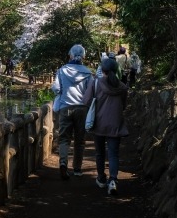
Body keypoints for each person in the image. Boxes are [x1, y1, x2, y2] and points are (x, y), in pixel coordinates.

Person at [84, 57, 129, 196]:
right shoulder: (122, 86)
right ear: (116, 70)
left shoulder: (95, 83)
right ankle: (113, 180)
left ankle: (101, 178)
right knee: (114, 153)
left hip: (99, 124)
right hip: (115, 123)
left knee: (100, 153)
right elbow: (124, 105)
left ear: (102, 70)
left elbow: (86, 101)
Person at [51, 44, 93, 180]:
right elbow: (91, 91)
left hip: (65, 107)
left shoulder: (62, 71)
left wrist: (63, 92)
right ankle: (77, 169)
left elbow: (56, 88)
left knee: (64, 138)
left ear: (70, 55)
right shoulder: (87, 72)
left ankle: (63, 164)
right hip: (82, 109)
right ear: (83, 56)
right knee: (80, 140)